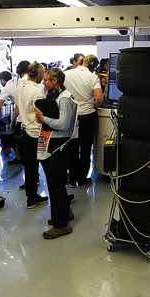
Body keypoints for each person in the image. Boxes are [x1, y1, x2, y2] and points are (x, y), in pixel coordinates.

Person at [35, 68, 77, 239]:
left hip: (60, 144)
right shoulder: (57, 96)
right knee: (56, 182)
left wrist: (42, 118)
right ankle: (64, 213)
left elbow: (63, 124)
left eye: (45, 80)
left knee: (55, 184)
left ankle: (61, 225)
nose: (43, 82)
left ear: (55, 81)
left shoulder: (65, 98)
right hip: (53, 143)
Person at [64, 54, 103, 188]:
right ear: (92, 66)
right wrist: (94, 105)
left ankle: (72, 179)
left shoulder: (67, 74)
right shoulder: (93, 77)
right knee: (86, 148)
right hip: (87, 115)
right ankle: (82, 180)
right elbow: (99, 98)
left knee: (72, 147)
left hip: (71, 116)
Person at [15, 60, 48, 208]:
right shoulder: (36, 91)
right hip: (36, 133)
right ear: (37, 73)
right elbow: (40, 113)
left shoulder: (19, 87)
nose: (44, 75)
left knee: (29, 167)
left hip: (23, 129)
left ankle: (31, 199)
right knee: (47, 166)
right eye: (43, 72)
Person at [0, 71, 20, 165]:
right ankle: (19, 156)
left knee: (7, 151)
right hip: (22, 113)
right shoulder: (18, 82)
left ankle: (18, 157)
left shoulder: (6, 88)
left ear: (2, 80)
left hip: (17, 116)